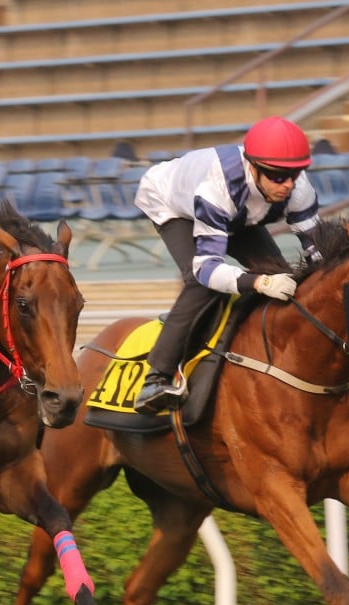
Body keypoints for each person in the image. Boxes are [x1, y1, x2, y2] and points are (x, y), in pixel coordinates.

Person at [131, 116, 321, 414]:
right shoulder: (218, 189)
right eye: (277, 176)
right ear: (253, 167)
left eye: (294, 175)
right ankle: (157, 378)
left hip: (240, 214)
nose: (287, 185)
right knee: (201, 285)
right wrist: (258, 283)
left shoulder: (298, 189)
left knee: (280, 274)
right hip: (173, 203)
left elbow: (317, 252)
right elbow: (206, 269)